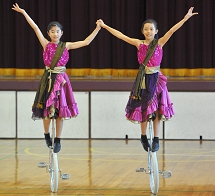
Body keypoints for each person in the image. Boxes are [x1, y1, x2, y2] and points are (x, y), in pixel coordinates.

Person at [97, 7, 198, 152]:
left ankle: (156, 138)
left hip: (156, 79)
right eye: (146, 29)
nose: (148, 31)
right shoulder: (139, 44)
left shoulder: (160, 43)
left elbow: (172, 30)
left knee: (156, 110)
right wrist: (105, 26)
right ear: (142, 31)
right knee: (143, 109)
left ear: (156, 31)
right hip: (143, 80)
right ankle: (143, 136)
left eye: (151, 29)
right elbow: (120, 36)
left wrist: (185, 18)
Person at [12, 3, 101, 153]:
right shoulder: (46, 44)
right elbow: (35, 28)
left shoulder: (66, 46)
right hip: (48, 79)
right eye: (52, 31)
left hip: (62, 80)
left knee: (60, 112)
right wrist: (24, 12)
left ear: (61, 33)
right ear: (48, 33)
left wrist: (98, 28)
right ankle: (46, 134)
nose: (55, 34)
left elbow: (86, 42)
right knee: (47, 110)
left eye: (57, 31)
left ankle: (58, 139)